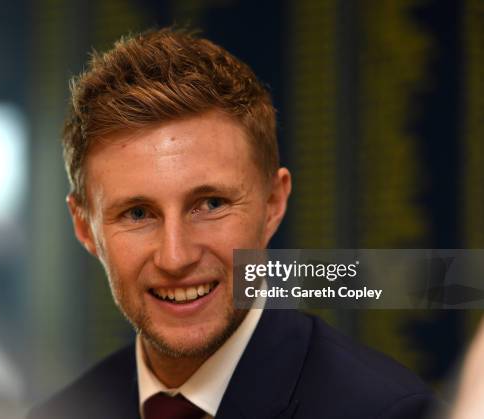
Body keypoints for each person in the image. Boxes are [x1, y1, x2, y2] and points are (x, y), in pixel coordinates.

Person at [29, 28, 436, 419]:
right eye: (138, 214)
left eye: (210, 204)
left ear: (273, 203)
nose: (176, 257)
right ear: (85, 228)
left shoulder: (386, 412)